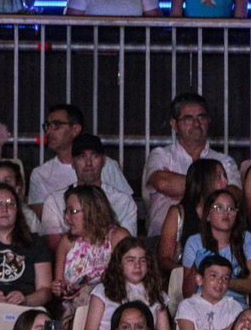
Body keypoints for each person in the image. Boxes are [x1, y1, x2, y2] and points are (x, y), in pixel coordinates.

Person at [142, 92, 240, 239]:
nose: (196, 123)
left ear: (209, 121)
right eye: (188, 118)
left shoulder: (224, 160)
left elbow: (234, 194)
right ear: (174, 124)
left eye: (201, 117)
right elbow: (162, 182)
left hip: (213, 239)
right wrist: (212, 188)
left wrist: (181, 189)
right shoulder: (161, 155)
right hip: (163, 238)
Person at [40, 137, 137, 249]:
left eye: (95, 156)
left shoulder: (124, 201)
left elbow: (126, 249)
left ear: (104, 160)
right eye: (82, 157)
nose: (88, 163)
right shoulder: (54, 201)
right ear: (72, 162)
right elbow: (54, 248)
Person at [29, 105, 133, 208]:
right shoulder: (40, 174)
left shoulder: (106, 165)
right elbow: (42, 220)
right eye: (48, 126)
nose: (48, 132)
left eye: (57, 125)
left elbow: (126, 205)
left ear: (75, 129)